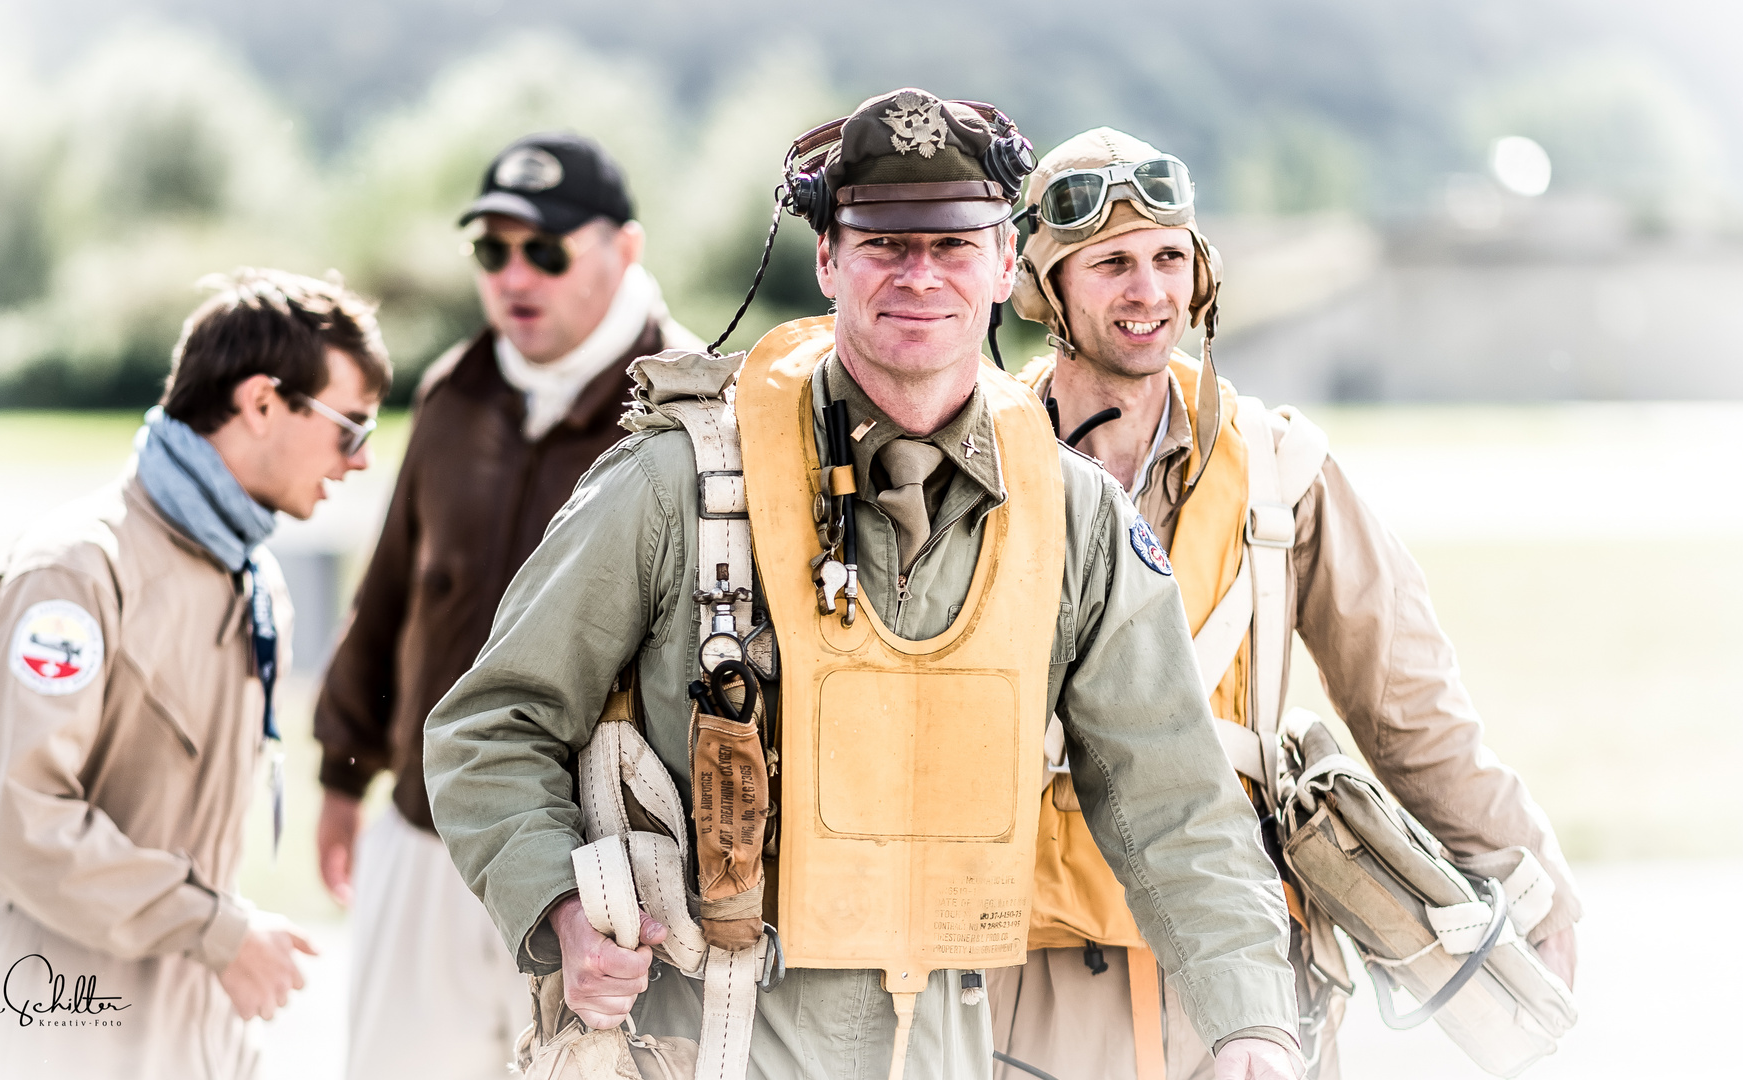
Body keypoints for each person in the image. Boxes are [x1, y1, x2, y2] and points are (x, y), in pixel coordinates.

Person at [423, 90, 1303, 1080]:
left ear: (1006, 262)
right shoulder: (680, 488)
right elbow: (491, 727)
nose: (919, 274)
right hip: (706, 1044)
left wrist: (1253, 1028)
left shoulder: (1077, 518)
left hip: (954, 1050)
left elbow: (1175, 799)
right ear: (829, 260)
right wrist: (563, 909)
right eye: (885, 243)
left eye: (954, 243)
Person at [991, 127, 1584, 1080]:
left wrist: (1528, 876)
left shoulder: (1279, 469)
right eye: (1110, 264)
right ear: (1043, 287)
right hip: (1036, 978)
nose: (1149, 291)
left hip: (1258, 973)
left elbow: (1410, 704)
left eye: (1169, 258)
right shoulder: (983, 466)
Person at [312, 132, 700, 1080]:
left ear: (626, 249)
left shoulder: (698, 410)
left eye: (547, 248)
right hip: (425, 830)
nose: (514, 274)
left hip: (602, 866)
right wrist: (340, 771)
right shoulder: (454, 390)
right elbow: (395, 588)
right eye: (493, 249)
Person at [0, 269, 390, 1079]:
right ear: (262, 402)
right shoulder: (77, 572)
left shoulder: (256, 582)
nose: (363, 461)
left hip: (200, 1037)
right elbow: (17, 823)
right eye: (351, 428)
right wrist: (216, 931)